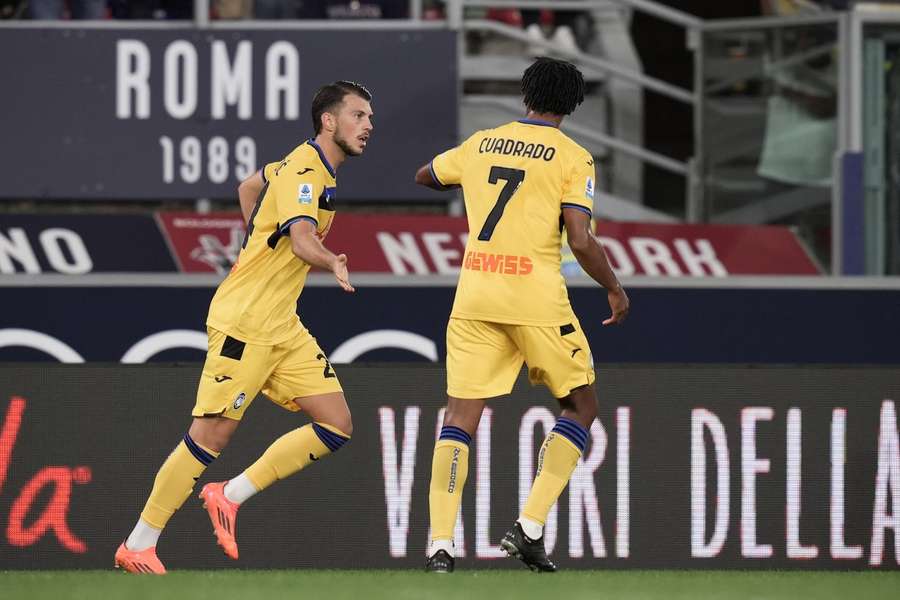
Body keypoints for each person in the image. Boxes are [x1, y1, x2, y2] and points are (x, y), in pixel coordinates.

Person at [114, 80, 374, 574]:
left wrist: (258, 238)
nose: (368, 126)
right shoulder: (305, 172)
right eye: (358, 116)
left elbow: (249, 187)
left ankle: (228, 495)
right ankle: (138, 543)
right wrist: (330, 260)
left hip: (282, 325)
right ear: (329, 120)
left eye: (369, 119)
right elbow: (301, 240)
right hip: (246, 322)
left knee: (336, 425)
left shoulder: (297, 165)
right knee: (210, 437)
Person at [414, 57, 629, 573]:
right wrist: (615, 288)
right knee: (581, 407)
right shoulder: (574, 158)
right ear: (573, 105)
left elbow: (426, 175)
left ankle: (440, 545)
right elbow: (580, 238)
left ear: (524, 94)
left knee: (458, 422)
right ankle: (529, 527)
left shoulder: (483, 141)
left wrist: (467, 179)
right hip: (534, 299)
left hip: (475, 296)